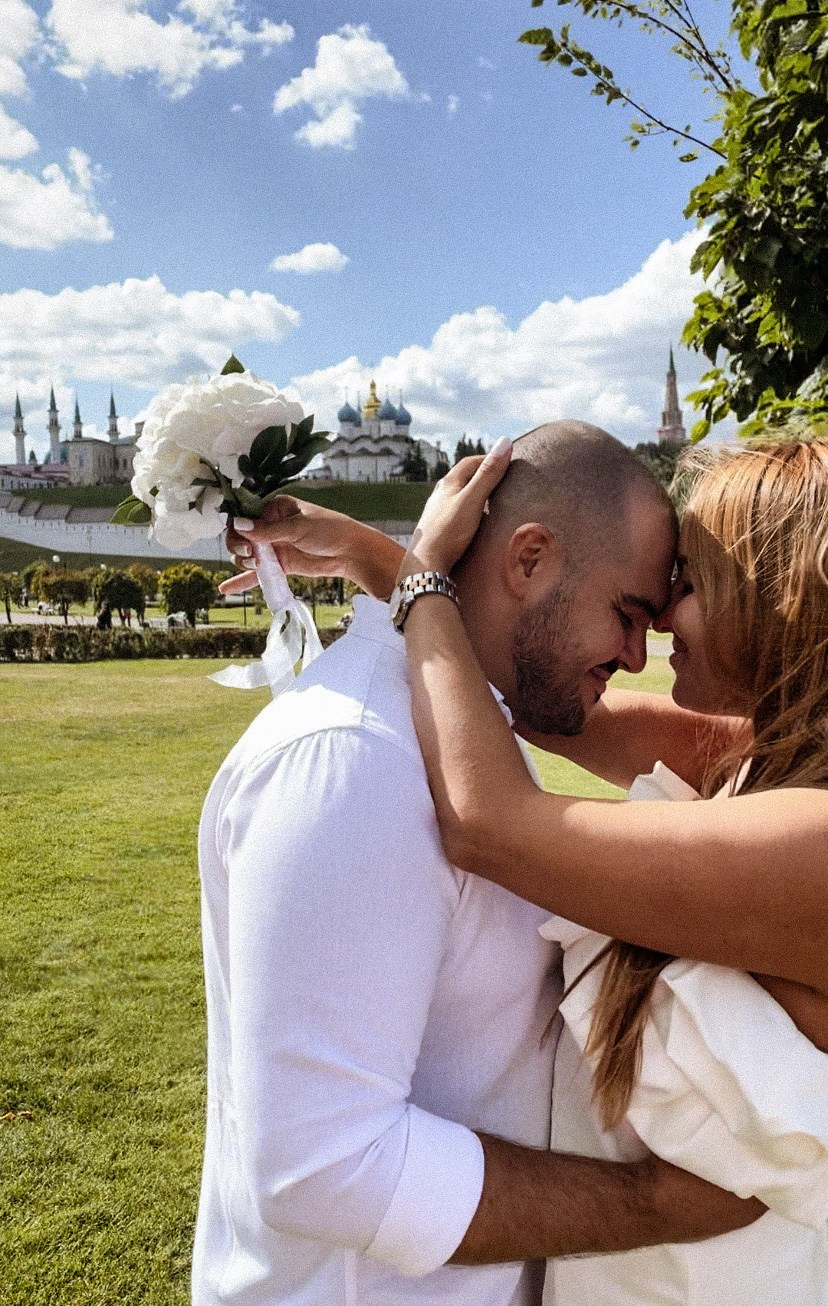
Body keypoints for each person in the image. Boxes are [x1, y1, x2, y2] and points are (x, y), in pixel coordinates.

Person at [195, 422, 758, 1306]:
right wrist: (655, 1206)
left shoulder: (470, 737)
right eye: (627, 613)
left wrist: (406, 573)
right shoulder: (351, 757)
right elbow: (323, 1166)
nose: (637, 656)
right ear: (528, 560)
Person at [388, 435, 828, 1303]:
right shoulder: (767, 760)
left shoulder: (813, 840)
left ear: (777, 604)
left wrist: (423, 580)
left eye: (691, 584)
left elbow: (493, 824)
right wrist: (376, 553)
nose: (659, 622)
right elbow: (549, 698)